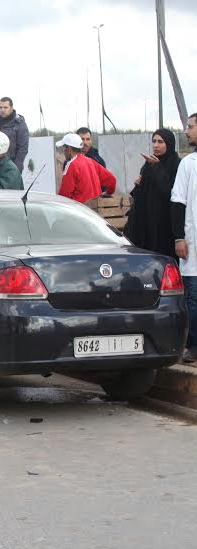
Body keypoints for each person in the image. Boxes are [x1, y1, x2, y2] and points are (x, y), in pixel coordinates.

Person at [125, 129, 181, 259]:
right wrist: (138, 186)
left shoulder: (176, 165)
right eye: (154, 141)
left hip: (165, 224)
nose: (156, 145)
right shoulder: (149, 163)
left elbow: (170, 192)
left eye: (160, 142)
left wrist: (157, 167)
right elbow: (141, 196)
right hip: (147, 222)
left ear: (169, 143)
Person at [171, 113, 197, 362]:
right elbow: (177, 203)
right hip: (193, 244)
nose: (187, 131)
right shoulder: (188, 163)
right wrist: (179, 237)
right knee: (194, 297)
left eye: (190, 127)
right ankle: (193, 345)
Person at [55, 133, 102, 203]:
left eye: (64, 147)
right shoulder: (89, 161)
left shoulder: (72, 165)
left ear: (69, 149)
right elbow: (110, 180)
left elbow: (64, 195)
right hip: (95, 208)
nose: (63, 151)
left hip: (80, 209)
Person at [0, 96, 29, 171]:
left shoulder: (20, 124)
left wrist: (15, 168)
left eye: (5, 107)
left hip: (12, 166)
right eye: (0, 107)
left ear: (11, 108)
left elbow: (23, 148)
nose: (2, 110)